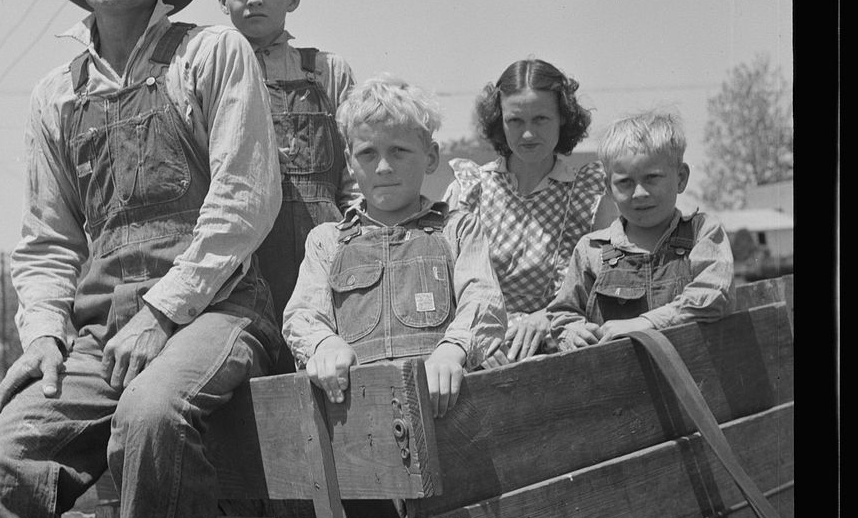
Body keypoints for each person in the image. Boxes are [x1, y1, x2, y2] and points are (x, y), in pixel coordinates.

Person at [0, 0, 283, 518]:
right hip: (100, 333)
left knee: (150, 413)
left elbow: (244, 200)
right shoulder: (55, 95)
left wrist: (162, 312)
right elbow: (47, 240)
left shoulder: (211, 53)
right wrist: (43, 334)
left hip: (213, 311)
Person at [283, 76, 507, 418]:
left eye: (399, 151)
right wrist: (324, 343)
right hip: (358, 421)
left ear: (430, 156)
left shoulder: (457, 229)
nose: (384, 167)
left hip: (447, 415)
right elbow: (302, 314)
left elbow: (483, 301)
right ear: (349, 160)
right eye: (368, 153)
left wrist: (452, 350)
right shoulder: (328, 241)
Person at [214, 0, 359, 370]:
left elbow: (355, 175)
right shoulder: (211, 73)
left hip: (324, 248)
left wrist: (358, 240)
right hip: (247, 255)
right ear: (223, 1)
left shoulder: (325, 71)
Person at [444, 58, 616, 361]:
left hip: (558, 352)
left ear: (562, 117)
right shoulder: (470, 189)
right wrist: (478, 341)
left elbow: (605, 285)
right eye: (515, 121)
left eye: (540, 119)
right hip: (479, 356)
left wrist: (549, 317)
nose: (527, 134)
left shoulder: (590, 196)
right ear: (500, 120)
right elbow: (443, 285)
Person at [547, 109, 734, 348]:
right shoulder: (594, 250)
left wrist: (647, 323)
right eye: (625, 182)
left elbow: (715, 293)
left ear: (681, 178)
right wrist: (573, 333)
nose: (640, 193)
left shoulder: (702, 233)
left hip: (693, 377)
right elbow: (564, 312)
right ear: (608, 187)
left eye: (652, 178)